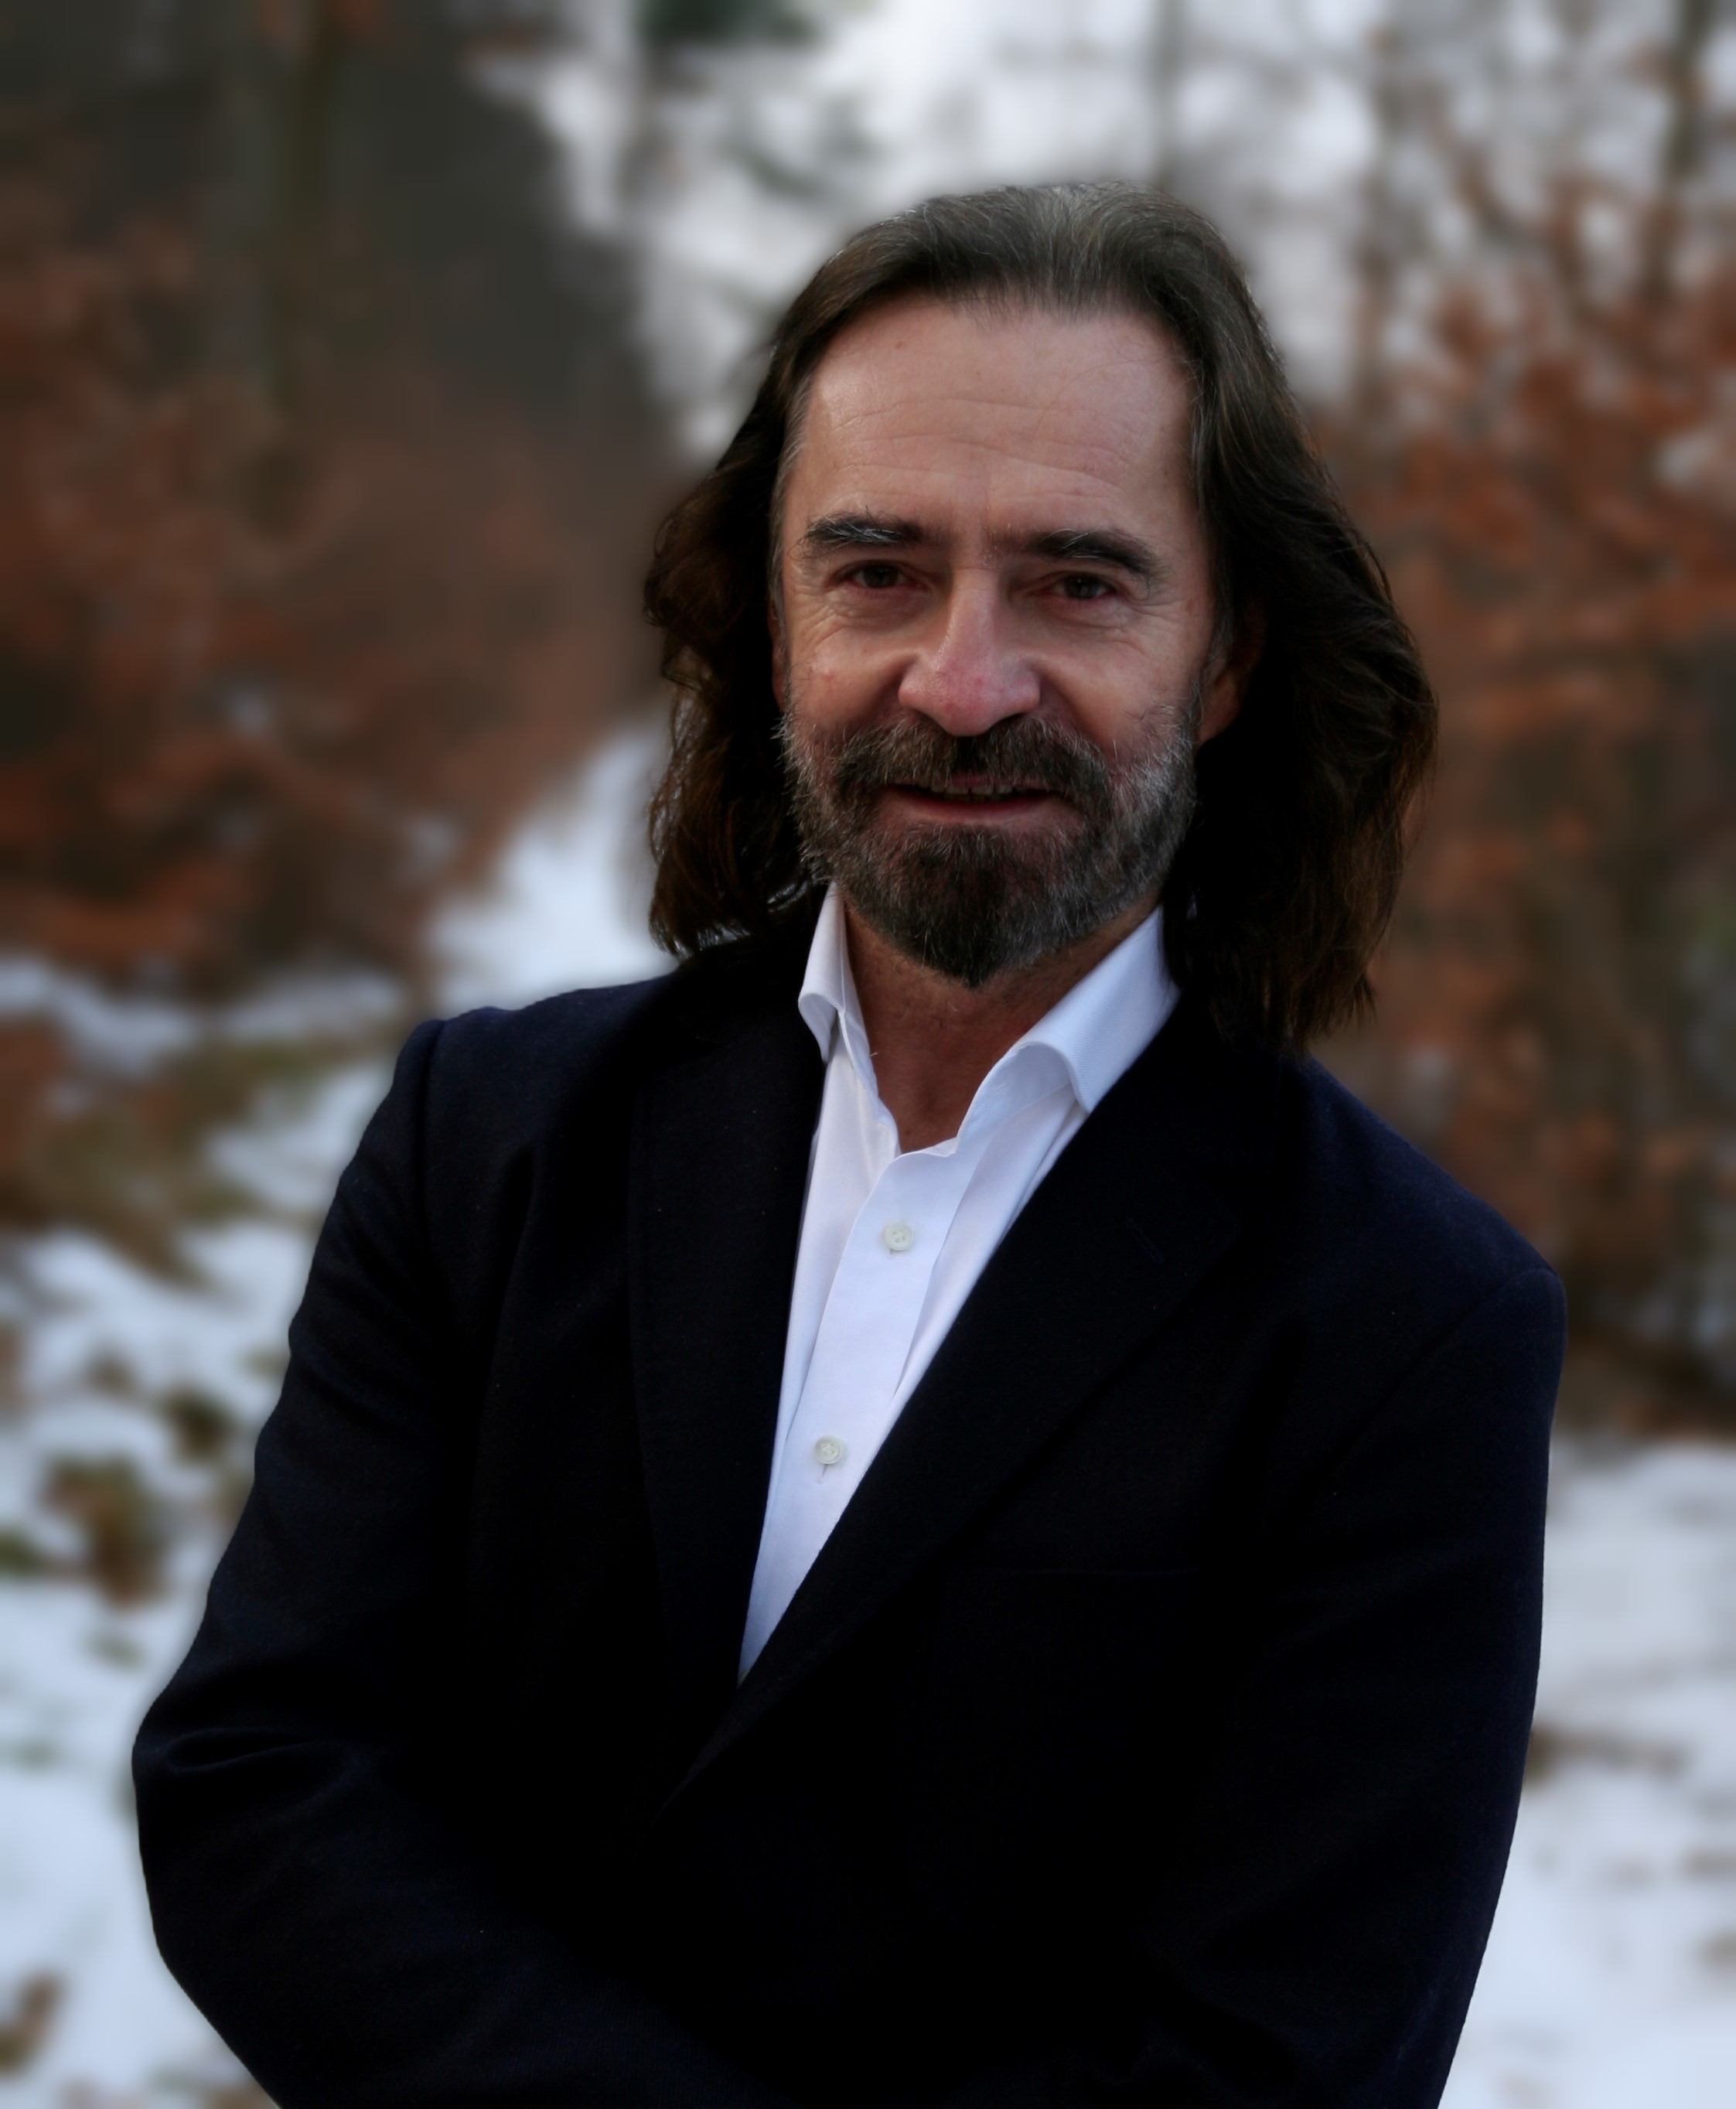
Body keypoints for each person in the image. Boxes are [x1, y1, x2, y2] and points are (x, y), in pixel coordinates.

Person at [135, 183, 1564, 2109]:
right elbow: (262, 1781)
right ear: (772, 618)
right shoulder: (485, 1141)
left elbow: (1268, 2063)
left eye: (1078, 583)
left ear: (1227, 653)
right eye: (878, 570)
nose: (963, 684)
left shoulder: (1410, 1326)